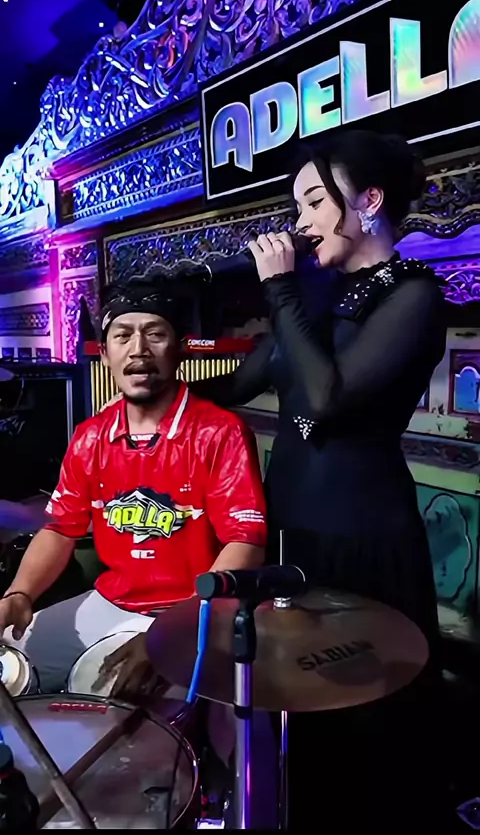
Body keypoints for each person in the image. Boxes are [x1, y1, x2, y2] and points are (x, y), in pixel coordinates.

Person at [188, 130, 448, 829]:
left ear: (369, 201)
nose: (298, 221)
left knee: (369, 712)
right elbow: (237, 386)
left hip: (365, 532)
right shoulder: (313, 295)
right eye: (297, 205)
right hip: (291, 528)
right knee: (298, 706)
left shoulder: (415, 295)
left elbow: (328, 397)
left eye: (312, 202)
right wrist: (156, 379)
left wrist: (279, 291)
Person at [0, 278, 266, 701]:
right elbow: (61, 528)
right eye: (122, 336)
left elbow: (245, 540)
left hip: (191, 609)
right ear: (106, 354)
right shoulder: (90, 436)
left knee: (143, 714)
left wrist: (178, 630)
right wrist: (20, 593)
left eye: (155, 334)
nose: (138, 349)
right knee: (8, 665)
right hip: (109, 602)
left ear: (180, 349)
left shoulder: (220, 432)